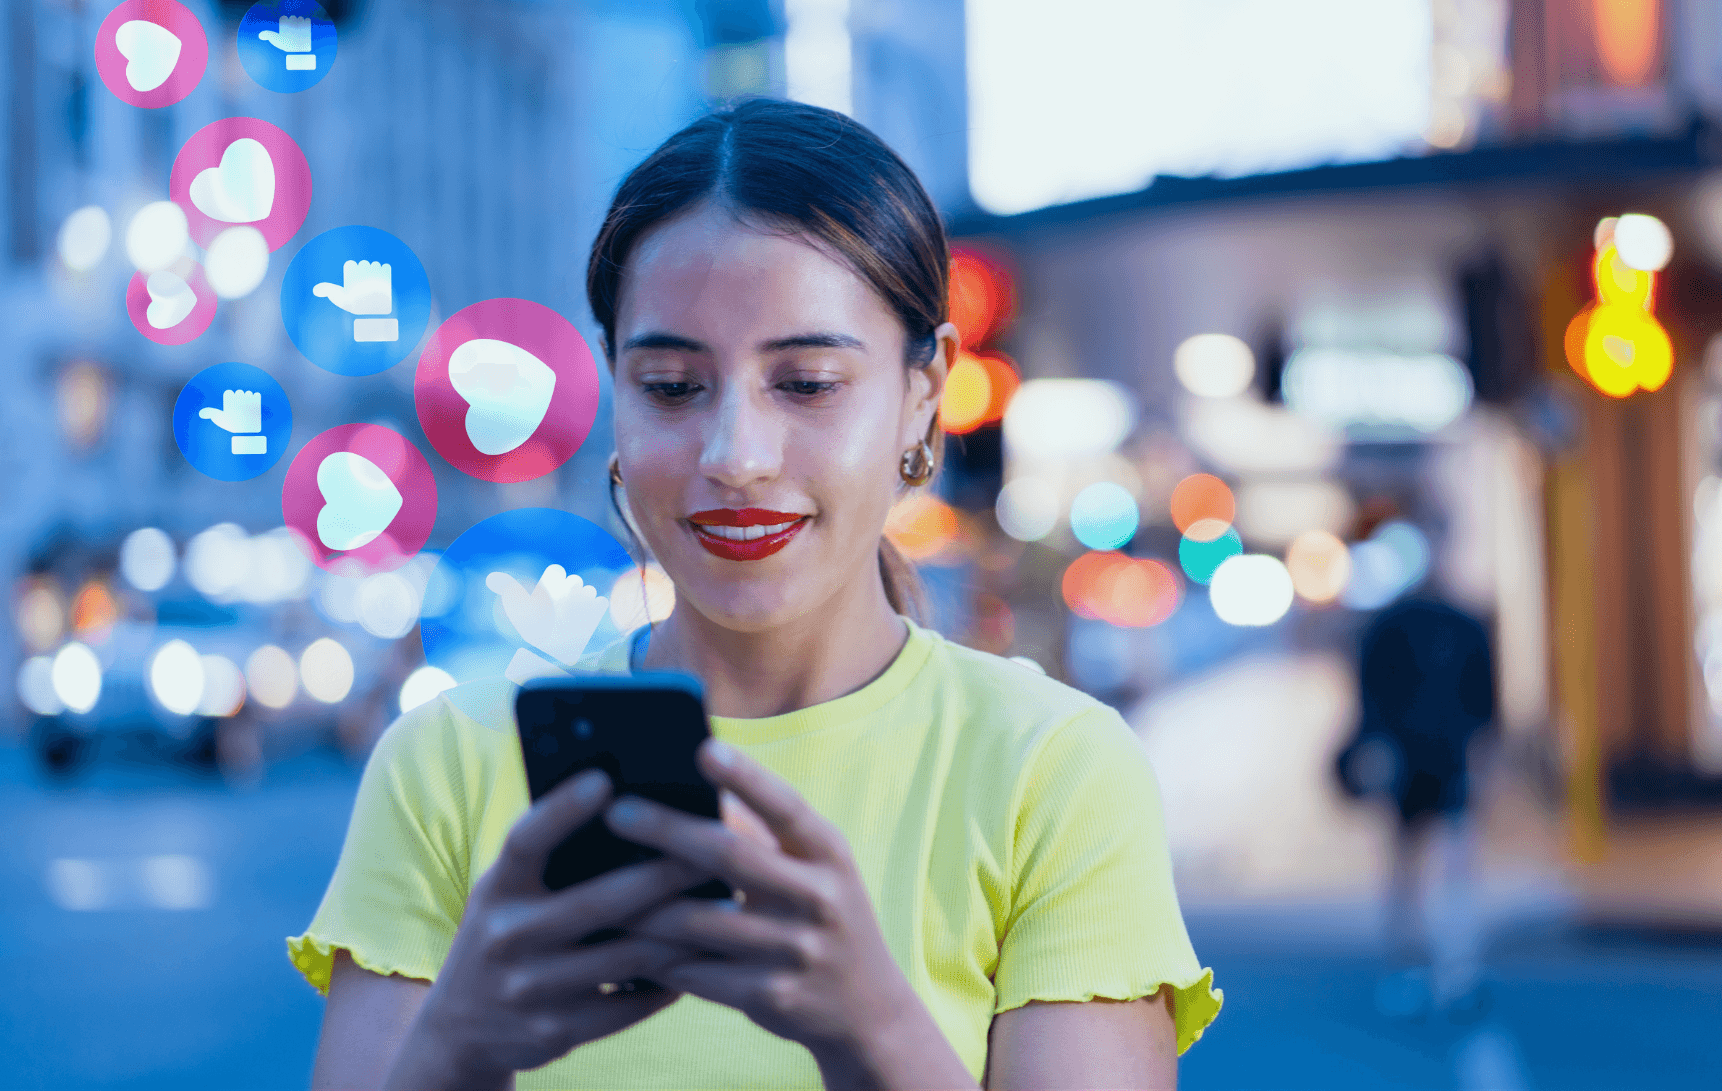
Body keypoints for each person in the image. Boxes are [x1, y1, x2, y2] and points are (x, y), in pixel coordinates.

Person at [288, 98, 1220, 1090]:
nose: (735, 454)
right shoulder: (448, 766)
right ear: (614, 388)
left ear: (923, 391)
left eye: (807, 382)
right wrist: (454, 1050)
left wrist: (872, 1027)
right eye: (670, 386)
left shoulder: (1051, 772)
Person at [1339, 590, 1495, 1020]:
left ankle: (1452, 966)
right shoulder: (1410, 623)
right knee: (1414, 867)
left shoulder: (1454, 623)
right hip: (1415, 758)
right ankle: (1420, 966)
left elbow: (1483, 700)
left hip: (1439, 757)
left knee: (1443, 864)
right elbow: (1370, 698)